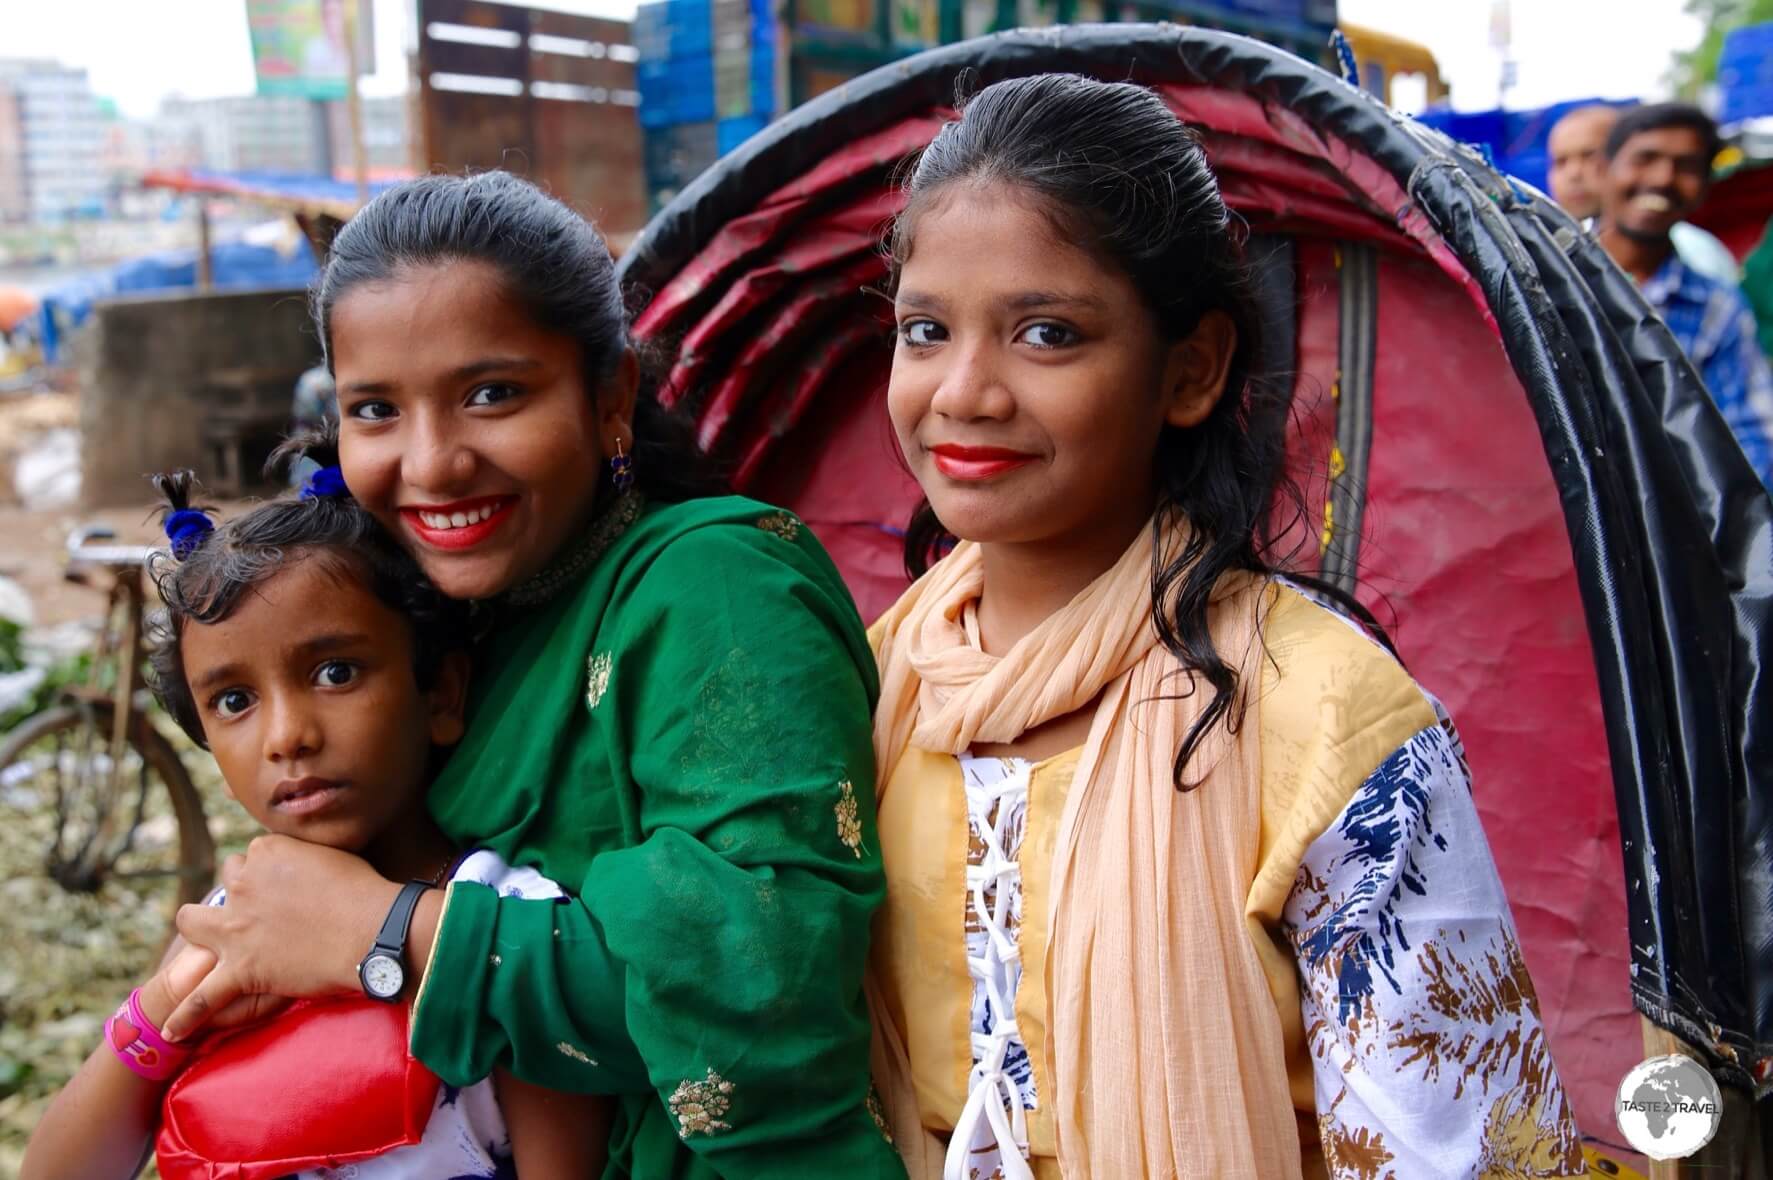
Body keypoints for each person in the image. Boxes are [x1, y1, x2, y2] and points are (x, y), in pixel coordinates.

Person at [862, 74, 1585, 1180]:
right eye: (926, 330)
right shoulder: (872, 682)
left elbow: (1463, 1152)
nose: (964, 391)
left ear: (1190, 370)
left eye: (1046, 333)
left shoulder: (1327, 718)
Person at [154, 172, 906, 1177]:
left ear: (612, 397)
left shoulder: (716, 589)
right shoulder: (442, 625)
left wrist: (376, 931)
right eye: (376, 409)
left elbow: (756, 984)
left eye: (492, 394)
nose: (431, 463)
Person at [20, 460, 608, 1179]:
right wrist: (161, 1013)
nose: (286, 735)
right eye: (234, 701)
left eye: (335, 673)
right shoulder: (230, 924)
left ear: (442, 694)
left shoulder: (495, 924)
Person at [1596, 102, 1773, 487]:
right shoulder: (1543, 277)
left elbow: (1750, 438)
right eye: (1646, 158)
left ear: (1705, 187)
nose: (1663, 178)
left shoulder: (1716, 308)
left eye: (1686, 166)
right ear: (1604, 169)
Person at [1547, 103, 1740, 285]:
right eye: (1560, 161)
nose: (1574, 174)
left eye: (1589, 155)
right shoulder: (1543, 257)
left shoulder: (1699, 258)